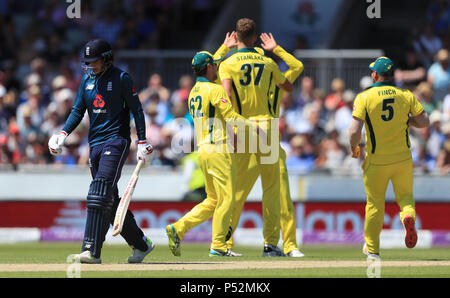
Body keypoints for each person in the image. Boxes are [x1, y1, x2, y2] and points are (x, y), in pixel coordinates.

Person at [48, 39, 155, 264]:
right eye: (87, 62)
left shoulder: (121, 78)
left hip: (116, 141)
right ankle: (141, 244)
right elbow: (78, 110)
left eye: (94, 61)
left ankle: (91, 250)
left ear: (106, 58)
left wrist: (143, 141)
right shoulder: (87, 81)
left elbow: (137, 110)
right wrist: (63, 134)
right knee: (110, 200)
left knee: (98, 192)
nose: (90, 66)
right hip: (94, 144)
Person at [166, 47, 260, 257]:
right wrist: (253, 126)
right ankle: (218, 245)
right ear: (208, 67)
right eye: (214, 65)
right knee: (227, 199)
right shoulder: (215, 91)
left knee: (213, 200)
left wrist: (224, 48)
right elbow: (231, 117)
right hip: (219, 149)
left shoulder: (193, 92)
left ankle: (178, 228)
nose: (217, 68)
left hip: (203, 151)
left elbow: (209, 66)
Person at [224, 34, 305, 257]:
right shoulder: (275, 77)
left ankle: (224, 244)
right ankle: (287, 245)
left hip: (245, 136)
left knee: (238, 194)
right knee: (279, 195)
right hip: (267, 138)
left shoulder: (240, 74)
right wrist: (277, 49)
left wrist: (224, 49)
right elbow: (297, 65)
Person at [348, 56, 430, 261]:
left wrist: (354, 147)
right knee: (406, 199)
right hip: (403, 159)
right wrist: (407, 121)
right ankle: (408, 217)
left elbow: (353, 131)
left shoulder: (364, 97)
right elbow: (424, 121)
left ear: (375, 74)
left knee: (375, 205)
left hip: (377, 161)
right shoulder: (405, 94)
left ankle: (373, 251)